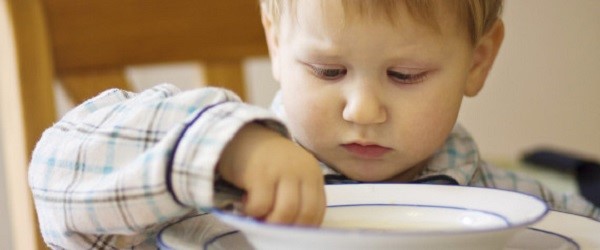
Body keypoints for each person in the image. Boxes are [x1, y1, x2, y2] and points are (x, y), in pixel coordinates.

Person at [28, 0, 599, 248]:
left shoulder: (520, 209)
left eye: (405, 74)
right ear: (277, 43)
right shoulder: (212, 199)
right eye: (328, 70)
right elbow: (55, 179)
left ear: (477, 61)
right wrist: (225, 149)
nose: (363, 110)